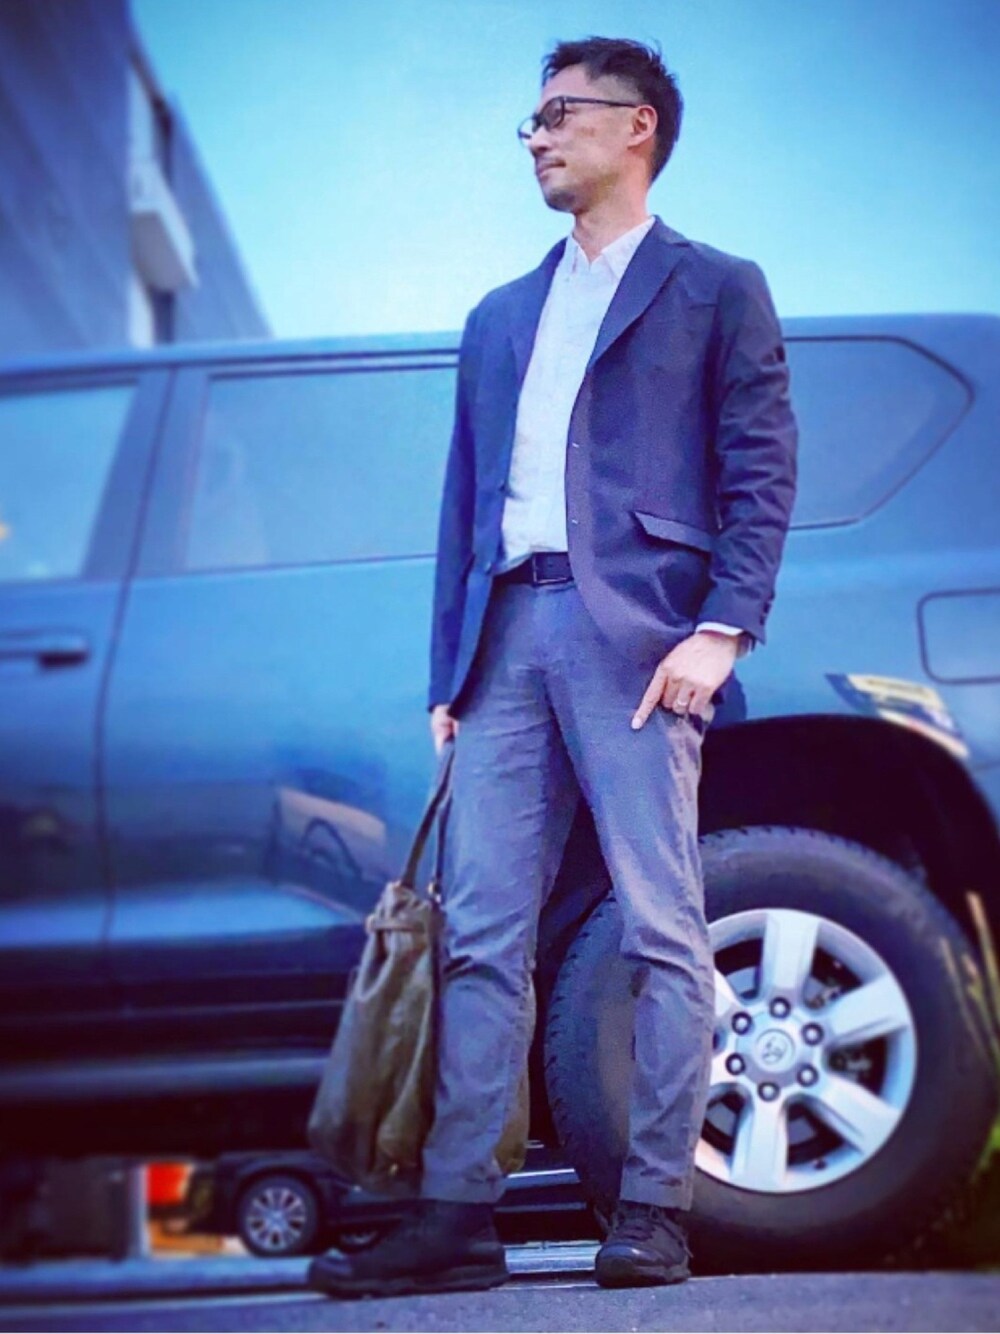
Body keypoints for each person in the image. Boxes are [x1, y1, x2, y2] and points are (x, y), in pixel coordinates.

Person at [309, 34, 797, 1299]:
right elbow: (463, 501)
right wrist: (449, 673)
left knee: (660, 925)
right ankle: (456, 1217)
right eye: (528, 120)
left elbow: (759, 469)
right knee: (480, 935)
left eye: (560, 113)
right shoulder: (497, 315)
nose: (535, 136)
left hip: (636, 635)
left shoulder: (715, 287)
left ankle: (653, 1209)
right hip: (505, 640)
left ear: (637, 127)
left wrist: (721, 626)